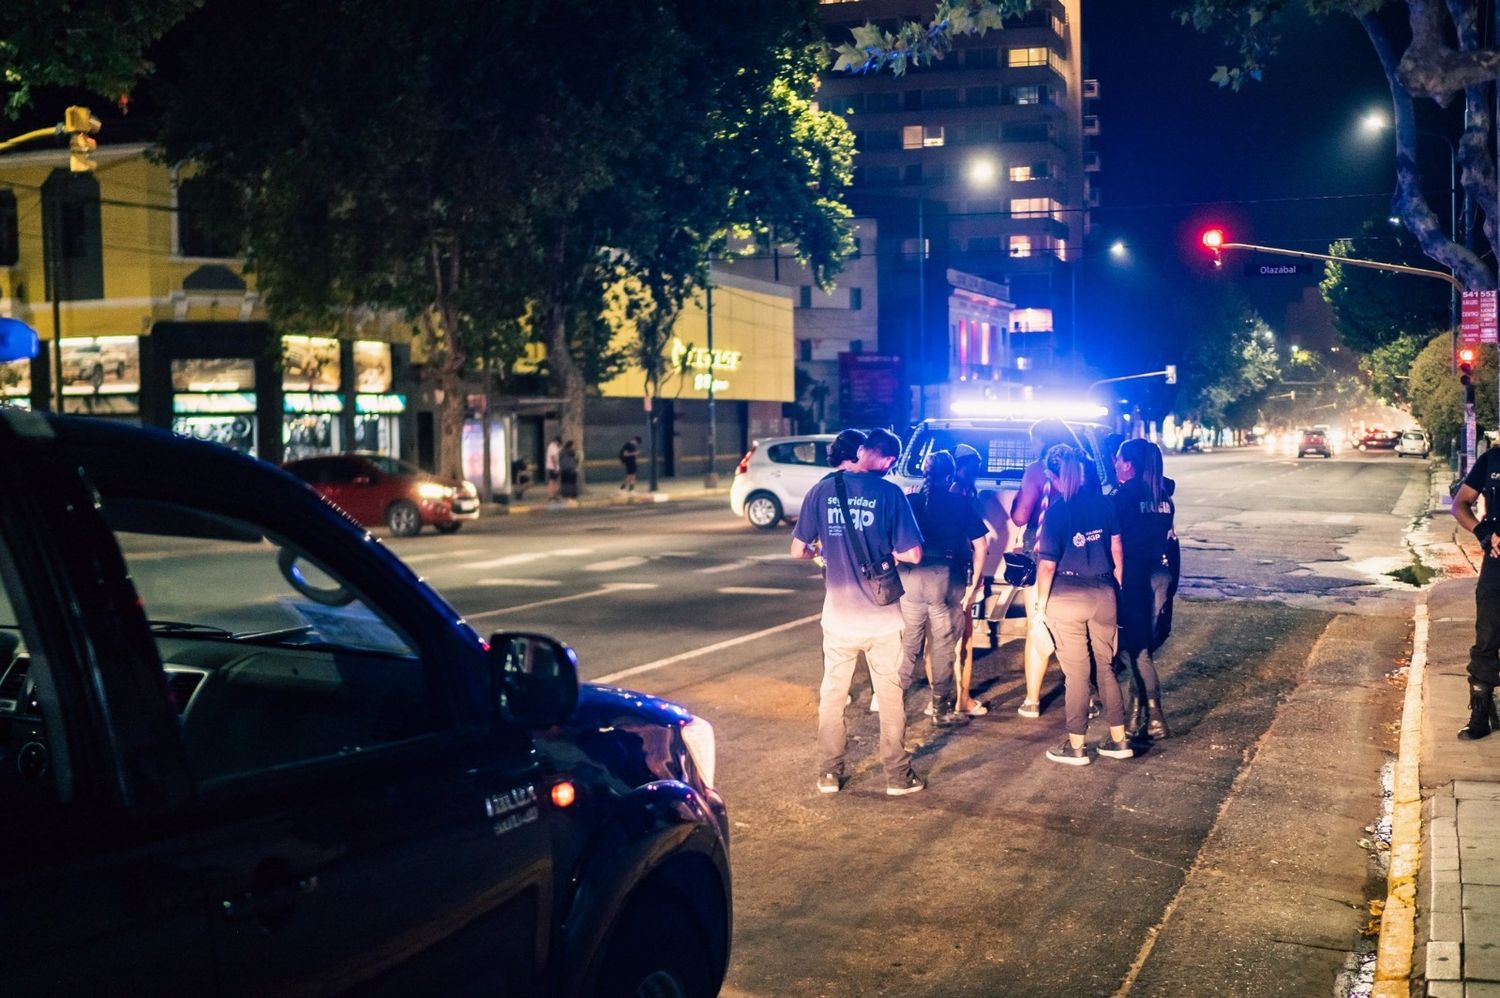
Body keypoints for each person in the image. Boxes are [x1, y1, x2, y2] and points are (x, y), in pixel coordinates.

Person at [791, 428, 926, 796]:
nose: (889, 466)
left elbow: (797, 550)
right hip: (882, 620)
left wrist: (823, 550)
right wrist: (886, 550)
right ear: (880, 457)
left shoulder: (821, 490)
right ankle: (898, 775)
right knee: (890, 695)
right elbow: (913, 554)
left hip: (838, 618)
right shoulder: (890, 493)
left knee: (833, 696)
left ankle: (829, 773)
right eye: (890, 460)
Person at [1033, 444, 1132, 766]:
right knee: (1105, 668)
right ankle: (1119, 741)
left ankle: (1076, 747)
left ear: (1052, 475)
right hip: (1104, 592)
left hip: (1067, 596)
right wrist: (1117, 586)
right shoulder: (1105, 504)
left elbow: (1047, 566)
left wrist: (1039, 608)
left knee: (1077, 674)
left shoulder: (1058, 511)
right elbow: (1117, 549)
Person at [899, 450, 990, 726]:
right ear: (950, 475)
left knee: (908, 646)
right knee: (943, 646)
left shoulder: (910, 501)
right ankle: (940, 709)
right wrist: (974, 584)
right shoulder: (960, 503)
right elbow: (981, 545)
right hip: (946, 579)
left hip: (910, 579)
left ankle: (893, 703)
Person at [1008, 419, 1081, 719]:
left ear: (1043, 441)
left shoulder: (1037, 470)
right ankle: (1082, 695)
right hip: (1077, 552)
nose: (1031, 446)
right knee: (1076, 630)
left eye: (1033, 440)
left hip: (1040, 553)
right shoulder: (1082, 466)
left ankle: (1032, 700)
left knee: (1036, 624)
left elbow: (1021, 516)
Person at [1112, 438, 1175, 739]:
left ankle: (1155, 718)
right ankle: (1136, 712)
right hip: (1160, 576)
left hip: (1134, 577)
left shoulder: (1123, 496)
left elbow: (1117, 543)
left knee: (1133, 649)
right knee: (1143, 647)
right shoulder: (1163, 497)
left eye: (1118, 459)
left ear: (1128, 464)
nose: (1114, 464)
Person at [1452, 441, 1500, 739]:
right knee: (1487, 637)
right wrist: (1484, 533)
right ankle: (1481, 712)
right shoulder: (1492, 460)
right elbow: (1459, 504)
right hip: (1496, 567)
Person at [948, 443, 999, 716]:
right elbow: (979, 544)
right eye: (974, 466)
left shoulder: (932, 494)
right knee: (964, 638)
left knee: (940, 639)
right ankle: (962, 700)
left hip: (941, 573)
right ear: (961, 467)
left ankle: (941, 699)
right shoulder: (960, 495)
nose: (977, 471)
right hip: (963, 572)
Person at [545, 436, 562, 500]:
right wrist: (556, 467)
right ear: (557, 441)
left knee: (553, 481)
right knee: (552, 481)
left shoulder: (552, 446)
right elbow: (553, 457)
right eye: (559, 443)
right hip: (553, 467)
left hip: (552, 466)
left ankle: (553, 495)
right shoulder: (553, 447)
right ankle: (551, 495)